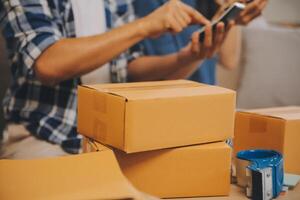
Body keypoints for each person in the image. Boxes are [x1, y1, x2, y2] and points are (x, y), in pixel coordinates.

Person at [0, 0, 231, 159]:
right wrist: (143, 26)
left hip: (109, 140)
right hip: (43, 135)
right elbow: (48, 62)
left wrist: (187, 57)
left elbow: (128, 71)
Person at [133, 0, 267, 84]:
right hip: (172, 102)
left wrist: (233, 15)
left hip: (207, 94)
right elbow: (162, 78)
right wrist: (194, 54)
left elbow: (229, 61)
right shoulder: (148, 5)